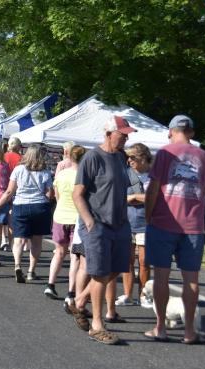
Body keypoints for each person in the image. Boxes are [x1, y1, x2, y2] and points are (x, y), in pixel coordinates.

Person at [144, 115, 205, 344]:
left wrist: (148, 215)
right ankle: (189, 331)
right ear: (190, 132)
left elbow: (152, 189)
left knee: (161, 275)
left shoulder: (165, 153)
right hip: (194, 226)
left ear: (171, 132)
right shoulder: (204, 156)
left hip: (163, 222)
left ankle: (160, 327)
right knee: (191, 279)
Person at [72, 115, 135, 345]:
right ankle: (97, 325)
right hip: (97, 224)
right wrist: (88, 221)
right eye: (122, 134)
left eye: (127, 135)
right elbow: (77, 194)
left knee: (116, 269)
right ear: (108, 134)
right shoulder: (92, 157)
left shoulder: (120, 158)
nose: (126, 139)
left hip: (119, 224)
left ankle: (79, 300)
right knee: (99, 274)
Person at [0, 145, 54, 283]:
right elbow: (50, 195)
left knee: (19, 240)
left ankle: (17, 266)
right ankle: (31, 271)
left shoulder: (18, 170)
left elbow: (9, 192)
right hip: (40, 207)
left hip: (20, 206)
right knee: (36, 241)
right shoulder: (45, 172)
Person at [105, 143, 153, 307]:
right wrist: (134, 198)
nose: (129, 160)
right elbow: (117, 198)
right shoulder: (124, 174)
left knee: (145, 262)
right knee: (127, 261)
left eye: (133, 157)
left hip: (147, 224)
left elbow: (158, 198)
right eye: (128, 157)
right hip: (126, 221)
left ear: (143, 157)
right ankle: (127, 295)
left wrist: (135, 197)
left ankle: (143, 295)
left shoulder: (154, 175)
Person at [45, 145, 86, 299]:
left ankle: (50, 284)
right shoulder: (84, 176)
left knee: (59, 253)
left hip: (60, 216)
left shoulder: (61, 175)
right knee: (75, 256)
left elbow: (57, 196)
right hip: (77, 218)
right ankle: (71, 292)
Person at [1, 136, 22, 250]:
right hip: (17, 189)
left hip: (4, 188)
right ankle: (11, 242)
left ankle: (3, 240)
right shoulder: (22, 158)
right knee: (11, 217)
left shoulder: (3, 157)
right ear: (18, 146)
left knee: (2, 215)